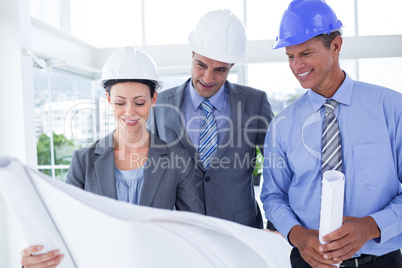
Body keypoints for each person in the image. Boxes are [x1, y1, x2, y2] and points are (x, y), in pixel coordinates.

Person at [20, 47, 204, 267]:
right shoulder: (83, 160)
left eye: (139, 102)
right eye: (119, 103)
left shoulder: (178, 160)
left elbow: (195, 231)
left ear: (154, 98)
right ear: (107, 98)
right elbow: (65, 225)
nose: (129, 112)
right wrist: (36, 258)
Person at [260, 0, 402, 267]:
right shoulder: (283, 124)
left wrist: (372, 226)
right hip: (307, 261)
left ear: (335, 46)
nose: (296, 65)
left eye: (306, 53)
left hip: (379, 261)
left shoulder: (392, 109)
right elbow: (273, 195)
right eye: (290, 56)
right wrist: (298, 236)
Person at [151, 9, 274, 229]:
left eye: (220, 69)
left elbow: (276, 167)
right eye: (201, 65)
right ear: (192, 54)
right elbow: (151, 172)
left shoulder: (255, 102)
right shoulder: (160, 104)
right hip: (182, 229)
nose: (208, 78)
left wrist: (276, 223)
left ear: (232, 66)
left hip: (242, 227)